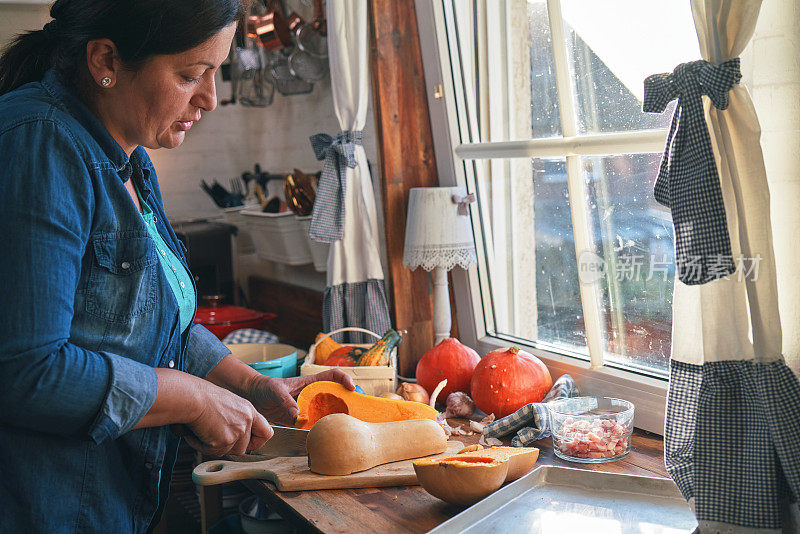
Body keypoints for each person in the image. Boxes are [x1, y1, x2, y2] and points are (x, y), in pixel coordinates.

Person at [0, 1, 354, 532]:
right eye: (192, 74)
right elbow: (26, 371)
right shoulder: (40, 142)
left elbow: (157, 321)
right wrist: (191, 397)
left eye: (217, 72)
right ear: (105, 60)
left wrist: (250, 384)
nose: (210, 98)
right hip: (46, 506)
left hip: (113, 502)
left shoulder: (133, 160)